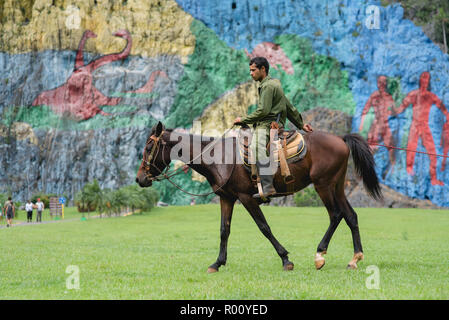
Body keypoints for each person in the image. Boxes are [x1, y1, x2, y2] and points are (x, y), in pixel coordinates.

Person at [234, 56, 313, 200]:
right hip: (266, 123)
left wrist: (243, 120)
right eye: (250, 70)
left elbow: (263, 111)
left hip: (267, 125)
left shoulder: (268, 86)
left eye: (253, 70)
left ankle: (267, 186)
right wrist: (300, 124)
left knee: (256, 146)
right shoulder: (273, 84)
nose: (251, 73)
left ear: (263, 69)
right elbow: (288, 106)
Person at [393, 71, 449, 185]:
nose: (425, 80)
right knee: (411, 149)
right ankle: (408, 173)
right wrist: (392, 112)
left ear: (429, 81)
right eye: (423, 78)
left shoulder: (431, 96)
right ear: (420, 80)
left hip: (424, 125)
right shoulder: (413, 94)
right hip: (415, 125)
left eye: (427, 78)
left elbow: (442, 107)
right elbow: (401, 107)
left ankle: (433, 179)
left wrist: (447, 116)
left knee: (432, 152)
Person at [359, 75, 396, 165]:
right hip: (376, 125)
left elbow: (394, 112)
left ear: (386, 84)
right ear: (377, 84)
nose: (382, 84)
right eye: (380, 82)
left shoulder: (389, 97)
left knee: (390, 146)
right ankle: (366, 168)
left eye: (384, 82)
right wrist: (362, 125)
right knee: (371, 146)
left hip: (385, 125)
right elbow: (365, 110)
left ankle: (393, 168)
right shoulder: (374, 96)